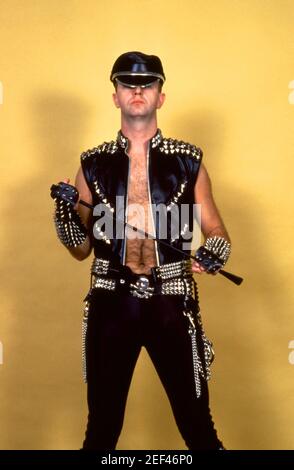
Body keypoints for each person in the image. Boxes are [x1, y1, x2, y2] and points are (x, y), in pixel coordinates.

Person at [50, 51, 231, 450]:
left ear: (160, 97)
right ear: (114, 96)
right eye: (127, 84)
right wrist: (63, 217)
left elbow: (216, 229)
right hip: (110, 300)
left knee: (198, 427)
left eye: (147, 84)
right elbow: (81, 250)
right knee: (101, 432)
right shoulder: (91, 166)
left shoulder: (189, 162)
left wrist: (216, 249)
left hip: (172, 301)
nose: (137, 90)